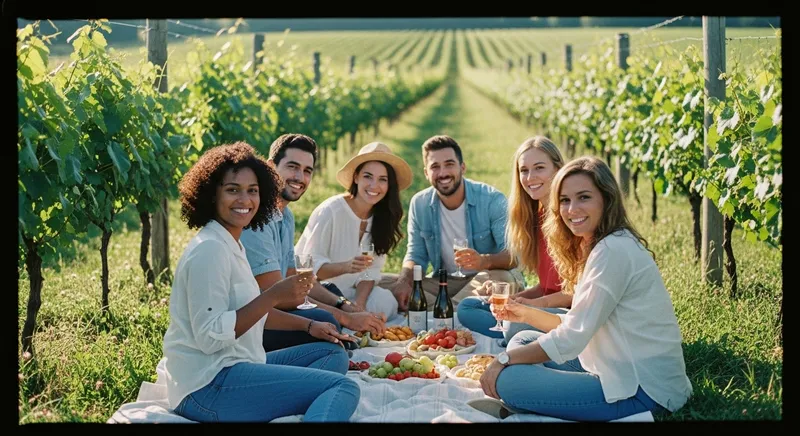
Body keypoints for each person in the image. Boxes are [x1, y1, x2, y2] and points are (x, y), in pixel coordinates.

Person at [472, 156, 692, 422]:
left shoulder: (613, 251)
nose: (572, 209)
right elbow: (576, 324)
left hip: (642, 389)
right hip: (612, 362)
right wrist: (524, 315)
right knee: (523, 340)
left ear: (606, 199)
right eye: (564, 200)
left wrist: (502, 360)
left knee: (510, 378)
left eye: (584, 197)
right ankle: (548, 402)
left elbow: (571, 337)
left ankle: (540, 403)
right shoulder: (602, 244)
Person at [162, 142, 360, 423]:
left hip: (241, 363)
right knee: (343, 386)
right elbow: (209, 339)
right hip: (207, 386)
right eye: (233, 190)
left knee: (331, 353)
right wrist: (273, 295)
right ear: (210, 194)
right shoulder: (210, 250)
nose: (245, 200)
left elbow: (251, 313)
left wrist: (309, 325)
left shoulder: (231, 241)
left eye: (252, 191)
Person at [240, 133, 386, 352]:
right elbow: (278, 295)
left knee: (332, 292)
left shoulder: (285, 216)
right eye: (293, 167)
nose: (300, 177)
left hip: (279, 302)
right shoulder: (256, 218)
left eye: (307, 171)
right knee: (329, 322)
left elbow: (294, 279)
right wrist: (345, 317)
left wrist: (346, 305)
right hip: (257, 320)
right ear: (271, 167)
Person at [381, 135, 525, 312]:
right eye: (435, 167)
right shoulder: (420, 203)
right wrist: (404, 280)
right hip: (445, 281)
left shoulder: (491, 200)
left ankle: (441, 311)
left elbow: (513, 256)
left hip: (485, 277)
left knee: (502, 281)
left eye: (449, 164)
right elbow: (416, 254)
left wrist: (483, 261)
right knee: (381, 283)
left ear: (462, 167)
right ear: (426, 173)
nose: (443, 173)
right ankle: (457, 309)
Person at [457, 136, 572, 341]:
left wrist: (529, 306)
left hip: (568, 315)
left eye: (539, 168)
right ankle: (516, 333)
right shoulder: (534, 219)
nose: (530, 177)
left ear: (557, 169)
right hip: (545, 306)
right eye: (524, 170)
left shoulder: (570, 218)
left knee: (512, 326)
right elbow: (547, 287)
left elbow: (575, 293)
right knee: (468, 306)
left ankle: (517, 336)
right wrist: (516, 299)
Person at [294, 141, 413, 320]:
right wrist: (346, 267)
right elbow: (309, 269)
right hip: (319, 294)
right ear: (356, 177)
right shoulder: (331, 211)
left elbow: (370, 272)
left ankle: (361, 323)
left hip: (351, 295)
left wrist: (359, 306)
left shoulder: (381, 218)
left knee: (387, 301)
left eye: (383, 179)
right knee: (326, 317)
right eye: (368, 176)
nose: (374, 185)